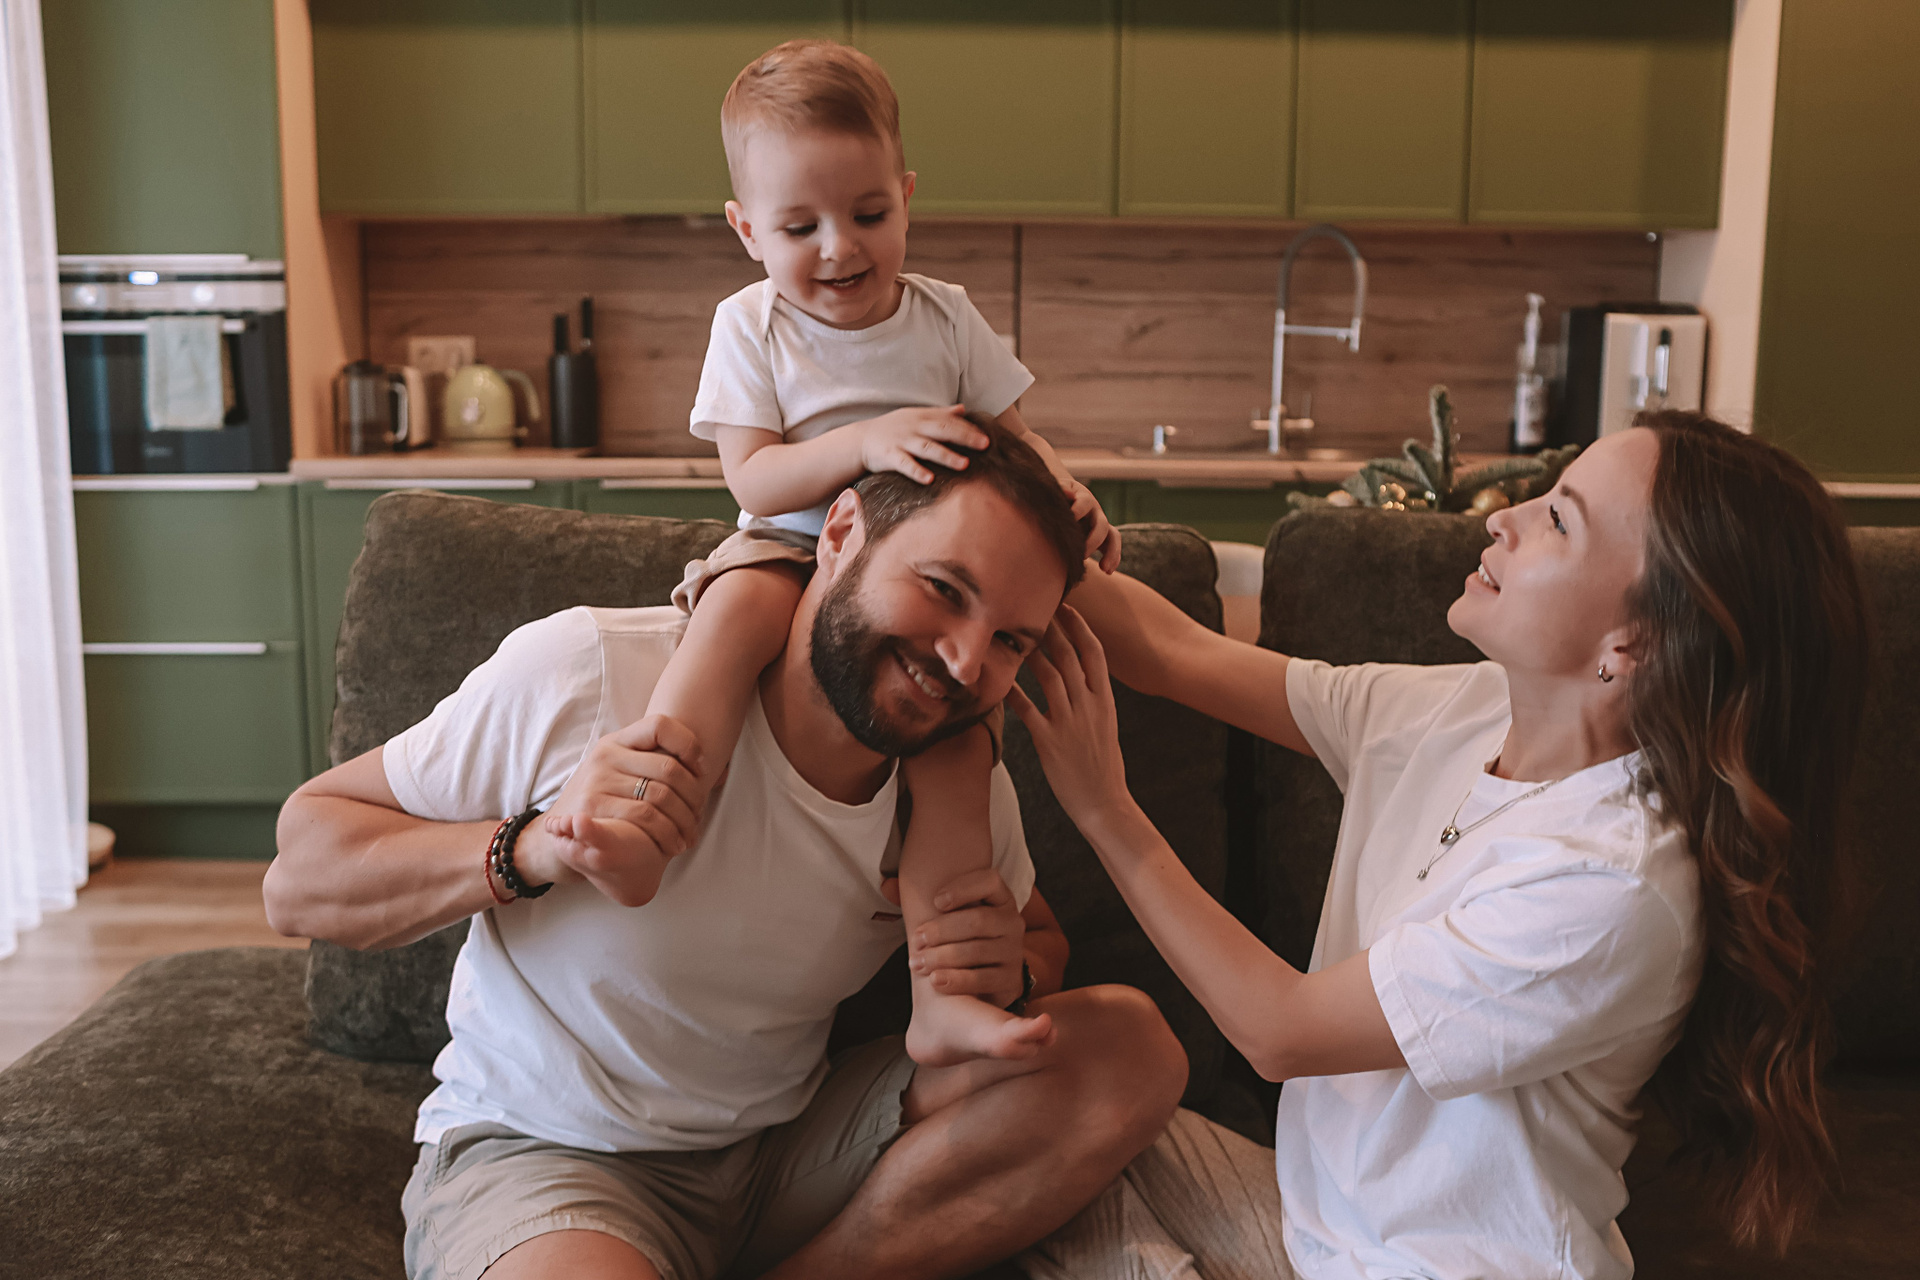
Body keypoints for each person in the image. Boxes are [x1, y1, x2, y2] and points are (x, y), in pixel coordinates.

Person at [263, 423, 1186, 1280]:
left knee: (1128, 1049)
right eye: (944, 589)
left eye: (1009, 640)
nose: (964, 662)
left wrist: (1007, 967)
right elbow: (300, 873)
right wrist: (532, 847)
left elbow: (1038, 938)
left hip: (782, 1158)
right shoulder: (594, 671)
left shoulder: (953, 782)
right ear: (840, 533)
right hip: (553, 1158)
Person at [1005, 413, 1866, 1279]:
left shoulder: (1612, 882)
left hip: (1439, 1266)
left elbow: (1280, 1029)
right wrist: (1028, 508)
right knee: (1059, 1119)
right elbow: (1168, 649)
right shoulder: (1470, 709)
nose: (1503, 518)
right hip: (1319, 1236)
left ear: (1632, 644)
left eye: (1558, 520)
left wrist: (1103, 809)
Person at [642, 39, 1121, 1071]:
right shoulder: (752, 325)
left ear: (905, 197)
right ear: (746, 230)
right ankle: (653, 814)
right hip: (789, 548)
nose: (838, 248)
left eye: (867, 214)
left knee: (958, 750)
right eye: (798, 227)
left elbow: (1016, 437)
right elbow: (753, 480)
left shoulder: (946, 316)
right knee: (732, 624)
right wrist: (866, 442)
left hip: (920, 597)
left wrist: (1066, 492)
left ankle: (943, 998)